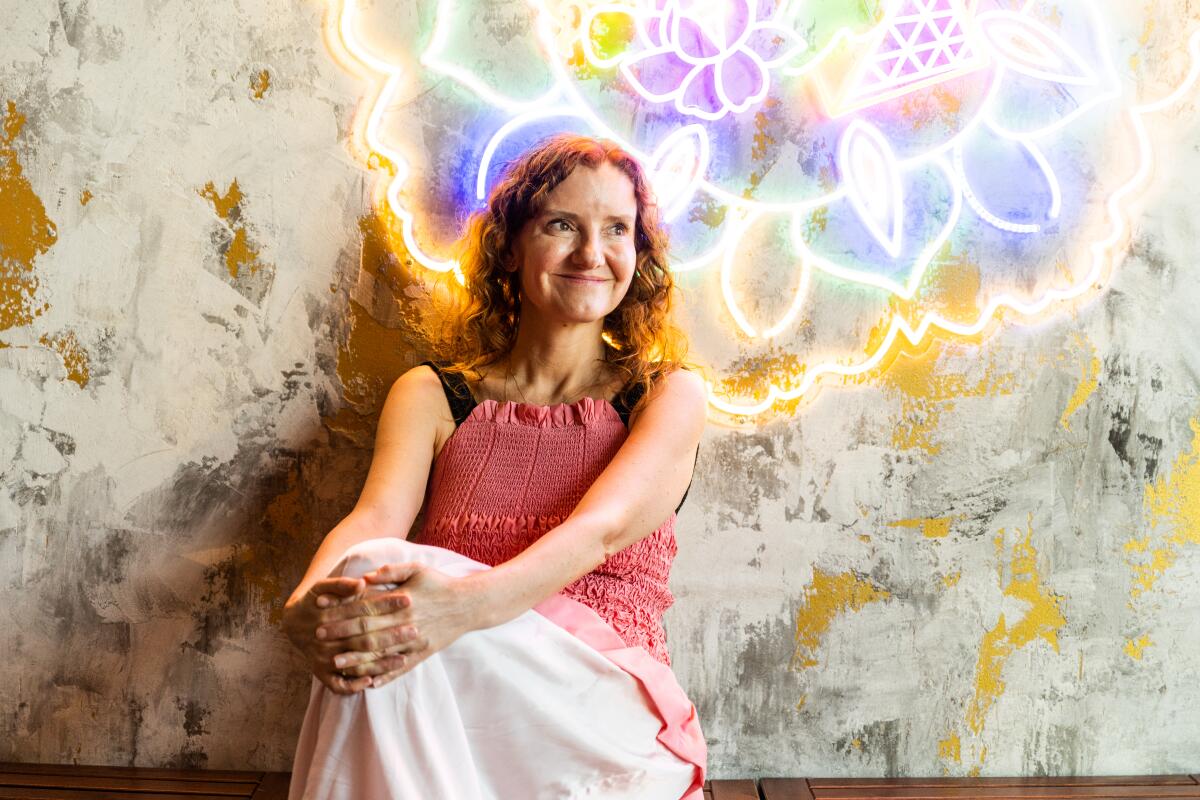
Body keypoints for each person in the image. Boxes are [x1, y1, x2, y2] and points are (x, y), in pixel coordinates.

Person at [282, 133, 708, 799]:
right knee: (365, 588)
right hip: (459, 703)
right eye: (561, 225)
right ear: (511, 246)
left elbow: (600, 530)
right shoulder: (433, 396)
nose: (591, 255)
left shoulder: (665, 395)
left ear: (639, 252)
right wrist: (304, 607)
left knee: (384, 612)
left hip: (602, 716)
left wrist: (457, 609)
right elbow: (371, 520)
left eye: (616, 230)